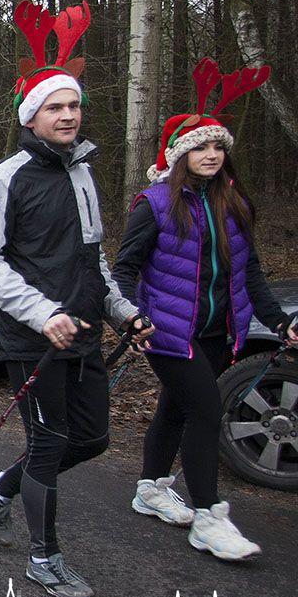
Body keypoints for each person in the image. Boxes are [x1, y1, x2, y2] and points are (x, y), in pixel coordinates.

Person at [0, 1, 151, 597]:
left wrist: (122, 310)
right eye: (55, 107)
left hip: (87, 332)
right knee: (48, 443)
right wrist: (44, 315)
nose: (68, 115)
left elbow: (93, 256)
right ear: (32, 116)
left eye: (74, 106)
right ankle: (44, 559)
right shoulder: (5, 177)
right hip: (33, 338)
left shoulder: (83, 172)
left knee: (92, 439)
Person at [113, 58, 295, 561]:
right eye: (200, 146)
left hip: (219, 331)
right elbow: (123, 270)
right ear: (178, 155)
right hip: (168, 332)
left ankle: (150, 488)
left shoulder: (232, 204)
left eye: (218, 146)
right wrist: (131, 316)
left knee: (176, 406)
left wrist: (280, 322)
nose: (212, 154)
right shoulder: (153, 205)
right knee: (206, 411)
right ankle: (210, 518)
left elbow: (251, 272)